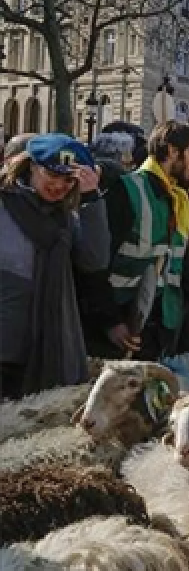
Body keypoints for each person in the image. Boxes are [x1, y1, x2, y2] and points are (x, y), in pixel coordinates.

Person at [86, 121, 189, 360]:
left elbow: (179, 264)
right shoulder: (126, 191)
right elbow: (95, 263)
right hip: (120, 326)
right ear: (172, 151)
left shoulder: (176, 199)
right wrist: (110, 321)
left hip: (158, 323)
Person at [0, 135, 108, 399]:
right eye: (52, 174)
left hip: (45, 349)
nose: (59, 186)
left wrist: (92, 199)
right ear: (33, 166)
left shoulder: (67, 219)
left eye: (68, 180)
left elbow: (94, 261)